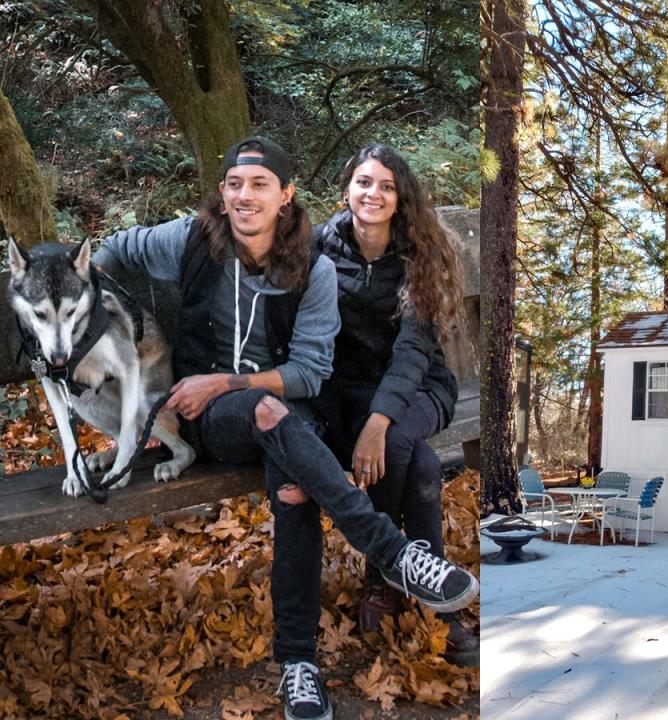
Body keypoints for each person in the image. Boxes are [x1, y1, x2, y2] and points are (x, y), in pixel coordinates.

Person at [92, 137, 478, 720]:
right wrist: (97, 319)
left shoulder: (310, 266)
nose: (244, 197)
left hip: (285, 406)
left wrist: (225, 382)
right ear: (221, 195)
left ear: (286, 196)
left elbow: (309, 371)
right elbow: (107, 253)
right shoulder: (189, 241)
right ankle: (391, 553)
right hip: (207, 419)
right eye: (234, 185)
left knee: (298, 490)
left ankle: (298, 664)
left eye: (259, 185)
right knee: (280, 425)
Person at [312, 144, 478, 665]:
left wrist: (378, 422)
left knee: (400, 441)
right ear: (346, 190)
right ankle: (438, 603)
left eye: (386, 185)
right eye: (364, 182)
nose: (374, 194)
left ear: (401, 196)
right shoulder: (321, 248)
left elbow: (412, 353)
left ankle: (383, 576)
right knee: (424, 468)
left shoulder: (423, 253)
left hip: (422, 386)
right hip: (351, 391)